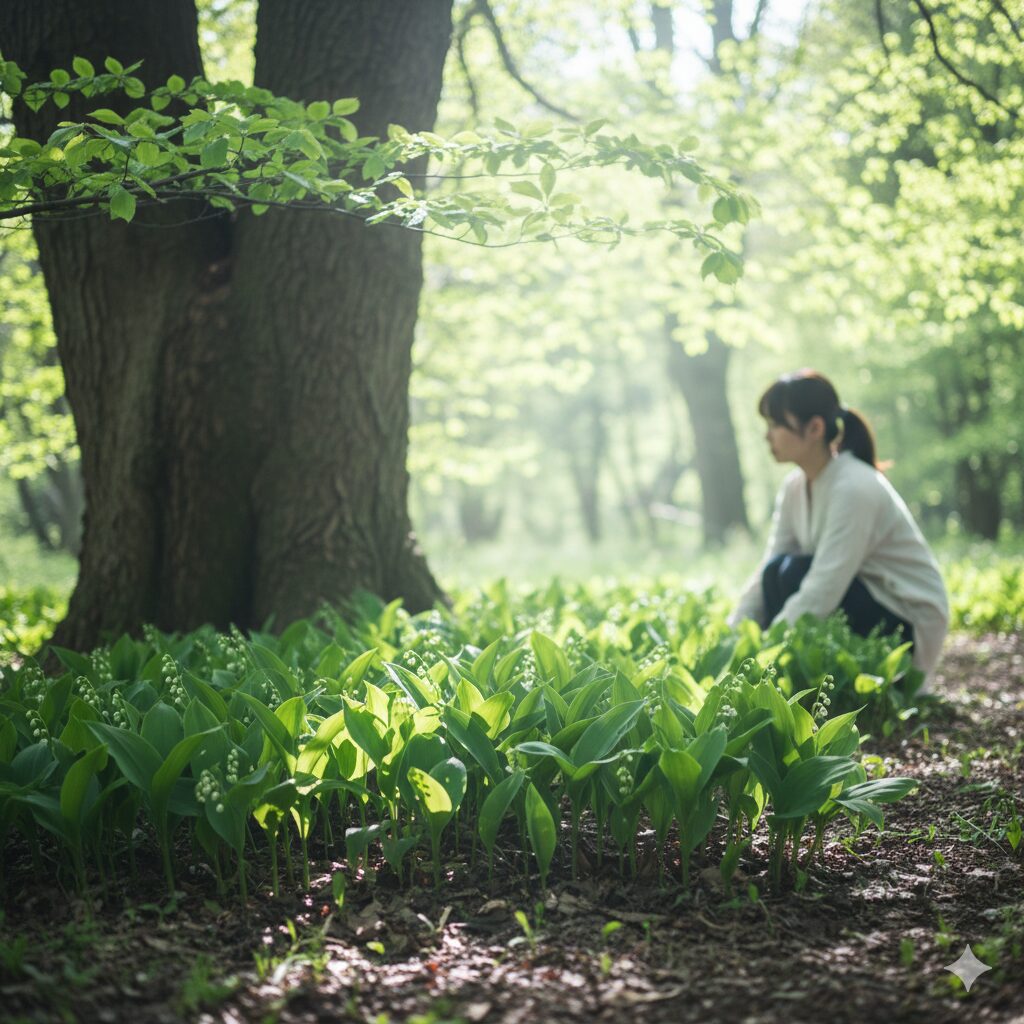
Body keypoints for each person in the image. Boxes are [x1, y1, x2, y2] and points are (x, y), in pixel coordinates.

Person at [728, 369, 949, 684]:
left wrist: (764, 648)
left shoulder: (853, 486)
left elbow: (825, 584)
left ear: (815, 428)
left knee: (792, 572)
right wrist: (732, 636)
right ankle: (795, 677)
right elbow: (769, 566)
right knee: (777, 571)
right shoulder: (794, 487)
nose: (767, 435)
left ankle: (818, 678)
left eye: (776, 424)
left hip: (905, 620)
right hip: (863, 600)